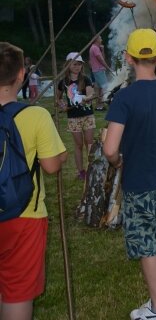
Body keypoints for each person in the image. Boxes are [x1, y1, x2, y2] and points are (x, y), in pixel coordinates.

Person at [102, 29, 156, 320]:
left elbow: (110, 148)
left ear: (128, 58)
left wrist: (117, 159)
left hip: (140, 179)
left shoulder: (124, 98)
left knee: (147, 242)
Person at [0, 42, 67, 320]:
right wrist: (61, 156)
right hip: (25, 215)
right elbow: (51, 165)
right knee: (17, 292)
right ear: (21, 75)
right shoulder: (35, 115)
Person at [56, 52, 96, 180]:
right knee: (78, 145)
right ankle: (81, 171)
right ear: (68, 65)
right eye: (74, 64)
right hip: (73, 118)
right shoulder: (63, 82)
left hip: (87, 115)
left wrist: (87, 98)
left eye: (79, 64)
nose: (77, 66)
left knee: (89, 143)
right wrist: (62, 105)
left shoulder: (86, 79)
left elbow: (90, 94)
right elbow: (58, 98)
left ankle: (92, 168)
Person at [89, 36, 111, 110]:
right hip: (99, 70)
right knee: (105, 87)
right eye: (100, 38)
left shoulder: (96, 48)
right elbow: (101, 60)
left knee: (100, 89)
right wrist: (108, 68)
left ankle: (99, 106)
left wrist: (102, 50)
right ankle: (108, 103)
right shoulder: (94, 48)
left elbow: (102, 57)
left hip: (97, 70)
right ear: (96, 39)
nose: (101, 39)